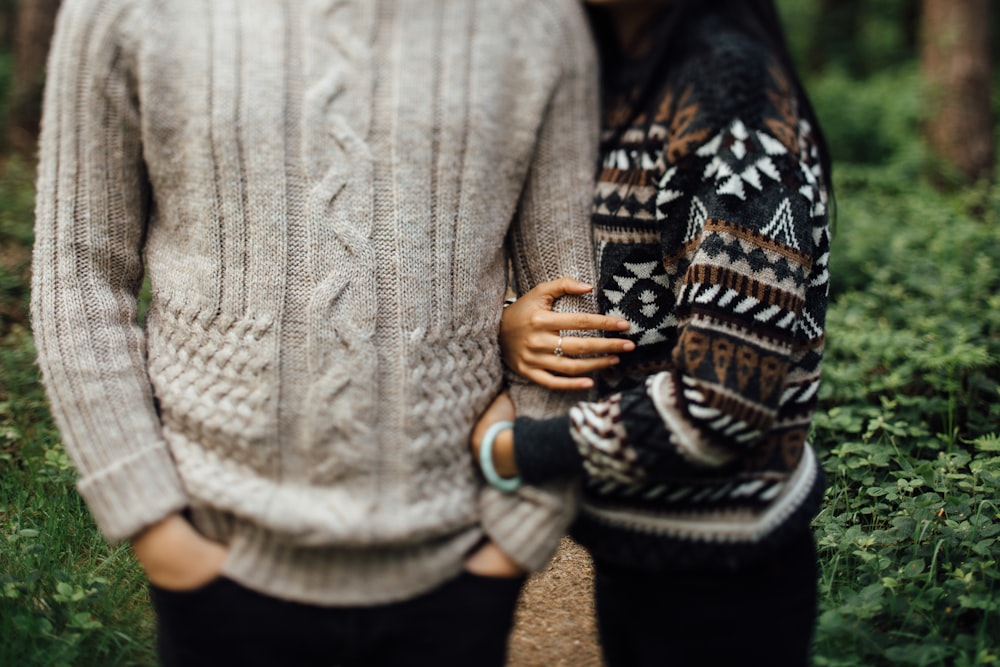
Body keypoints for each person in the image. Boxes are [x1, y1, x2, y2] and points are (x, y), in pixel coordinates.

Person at [30, 1, 601, 665]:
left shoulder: (536, 21)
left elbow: (572, 290)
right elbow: (80, 274)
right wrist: (156, 528)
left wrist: (519, 531)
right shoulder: (125, 11)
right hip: (217, 565)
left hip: (458, 571)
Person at [472, 1, 832, 665]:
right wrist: (513, 319)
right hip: (635, 552)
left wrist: (508, 450)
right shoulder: (615, 76)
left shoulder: (730, 98)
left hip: (725, 577)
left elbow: (722, 404)